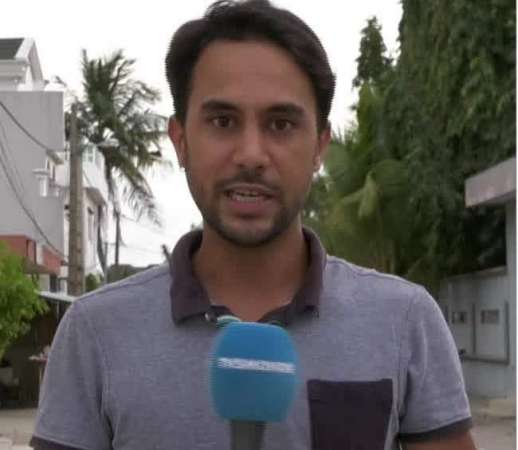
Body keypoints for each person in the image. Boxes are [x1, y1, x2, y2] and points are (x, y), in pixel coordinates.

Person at [31, 1, 476, 449]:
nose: (250, 155)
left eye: (280, 124)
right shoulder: (95, 332)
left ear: (319, 145)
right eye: (223, 122)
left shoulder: (404, 319)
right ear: (181, 141)